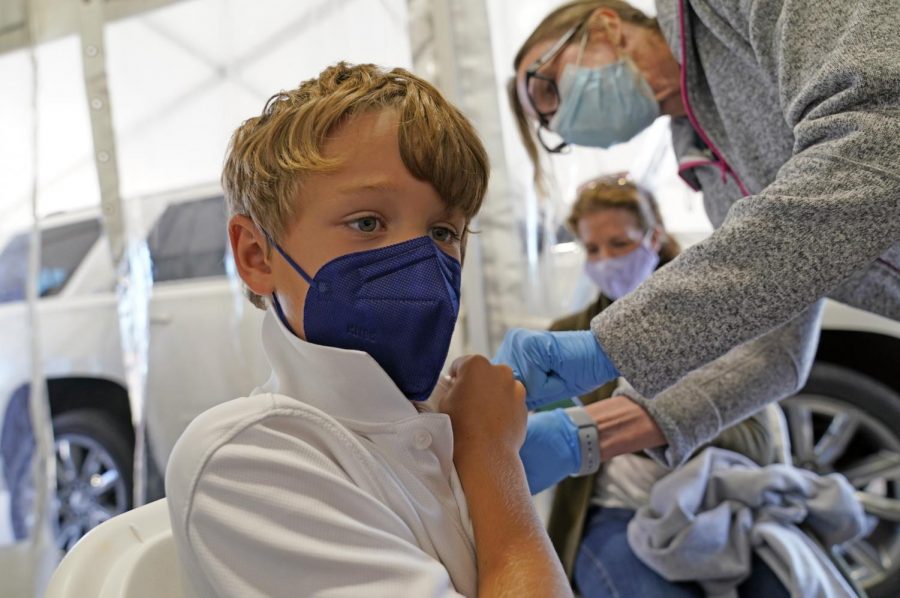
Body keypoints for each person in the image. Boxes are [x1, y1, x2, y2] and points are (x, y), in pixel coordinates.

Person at [165, 62, 570, 597]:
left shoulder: (426, 422)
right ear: (257, 255)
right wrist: (492, 459)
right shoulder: (248, 459)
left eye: (443, 231)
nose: (420, 260)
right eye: (367, 222)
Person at [497, 0, 899, 470]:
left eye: (546, 89)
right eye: (548, 125)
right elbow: (772, 342)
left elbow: (881, 138)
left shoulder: (725, 11)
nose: (560, 120)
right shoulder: (706, 163)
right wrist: (586, 436)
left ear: (606, 25)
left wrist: (615, 344)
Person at [528, 175, 786, 597]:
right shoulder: (566, 338)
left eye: (620, 244)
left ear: (654, 238)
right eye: (593, 249)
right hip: (617, 513)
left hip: (717, 503)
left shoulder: (713, 320)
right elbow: (552, 451)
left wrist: (644, 424)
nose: (606, 260)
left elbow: (755, 440)